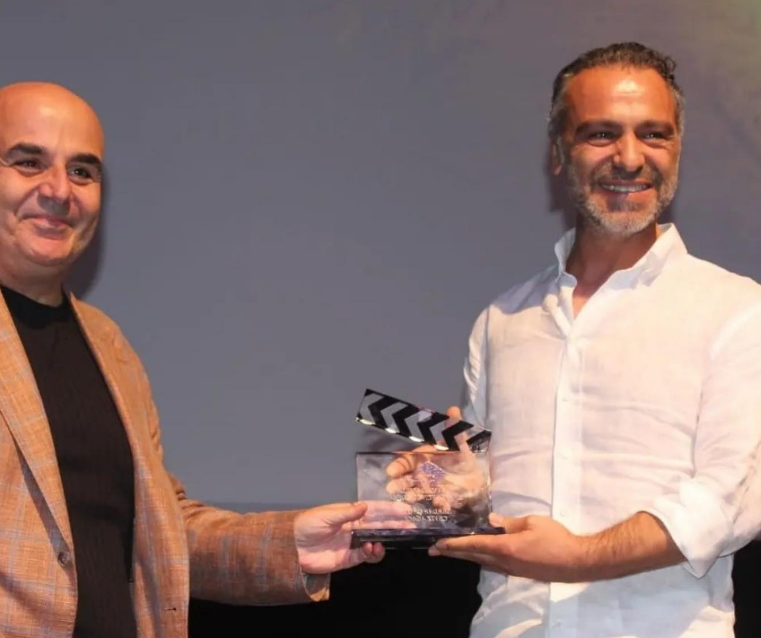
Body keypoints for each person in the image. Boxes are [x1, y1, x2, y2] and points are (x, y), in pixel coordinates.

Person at [0, 81, 403, 638]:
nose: (59, 190)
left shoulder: (108, 345)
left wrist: (290, 545)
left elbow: (161, 532)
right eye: (28, 162)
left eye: (83, 171)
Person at [424, 42, 761, 637]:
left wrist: (578, 557)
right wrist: (440, 488)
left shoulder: (736, 310)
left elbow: (730, 500)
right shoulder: (501, 321)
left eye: (653, 135)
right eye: (601, 135)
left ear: (677, 148)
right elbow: (479, 506)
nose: (629, 158)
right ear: (558, 152)